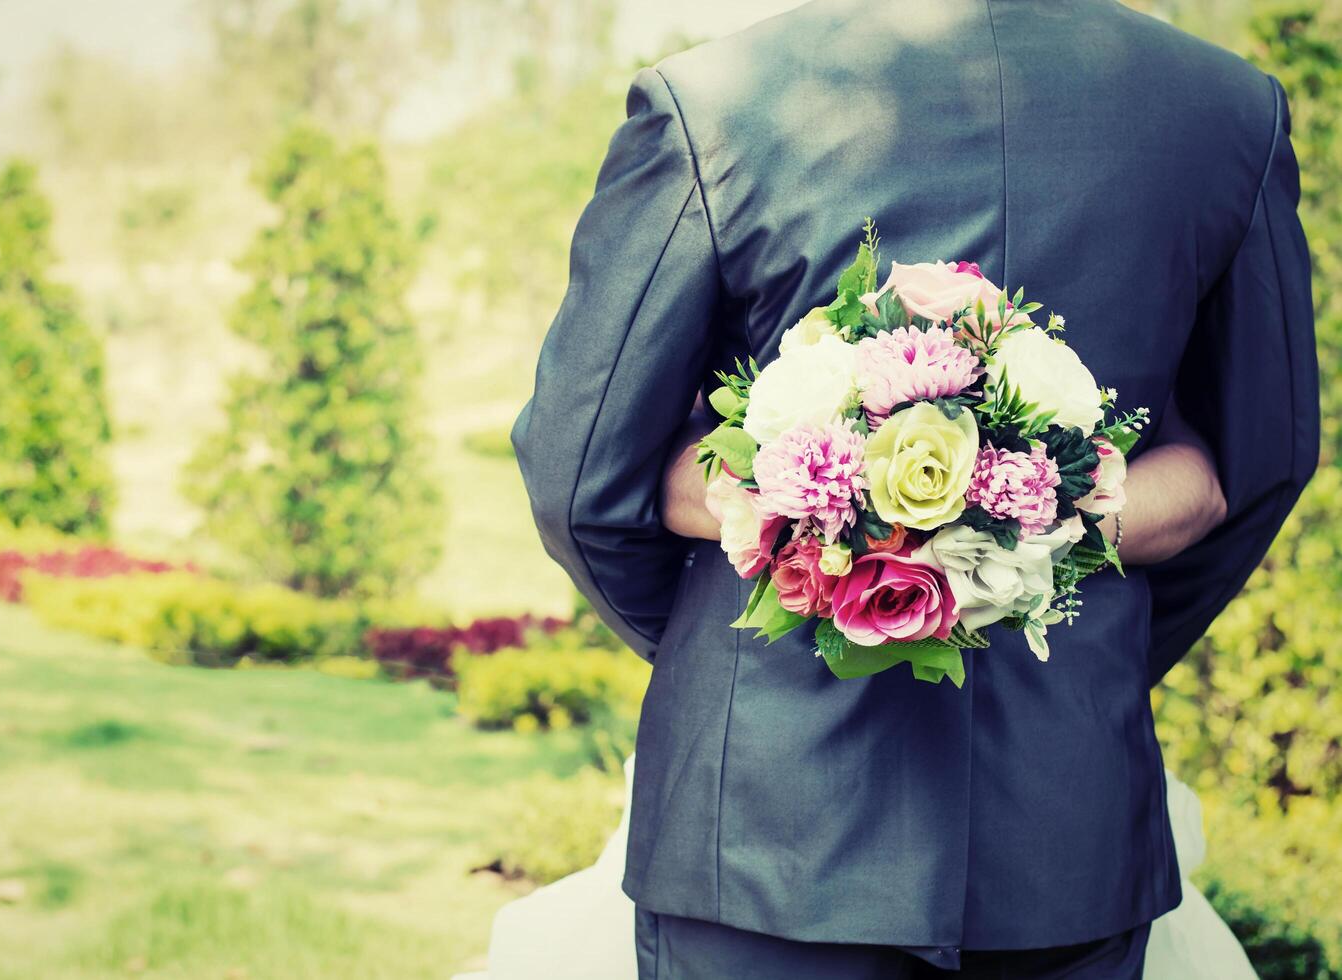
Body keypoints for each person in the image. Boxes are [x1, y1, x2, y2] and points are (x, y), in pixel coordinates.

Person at [510, 0, 1319, 976]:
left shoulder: (714, 103)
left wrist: (737, 639)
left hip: (768, 827)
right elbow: (1257, 461)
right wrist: (1079, 629)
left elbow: (586, 473)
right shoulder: (1228, 111)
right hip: (1067, 823)